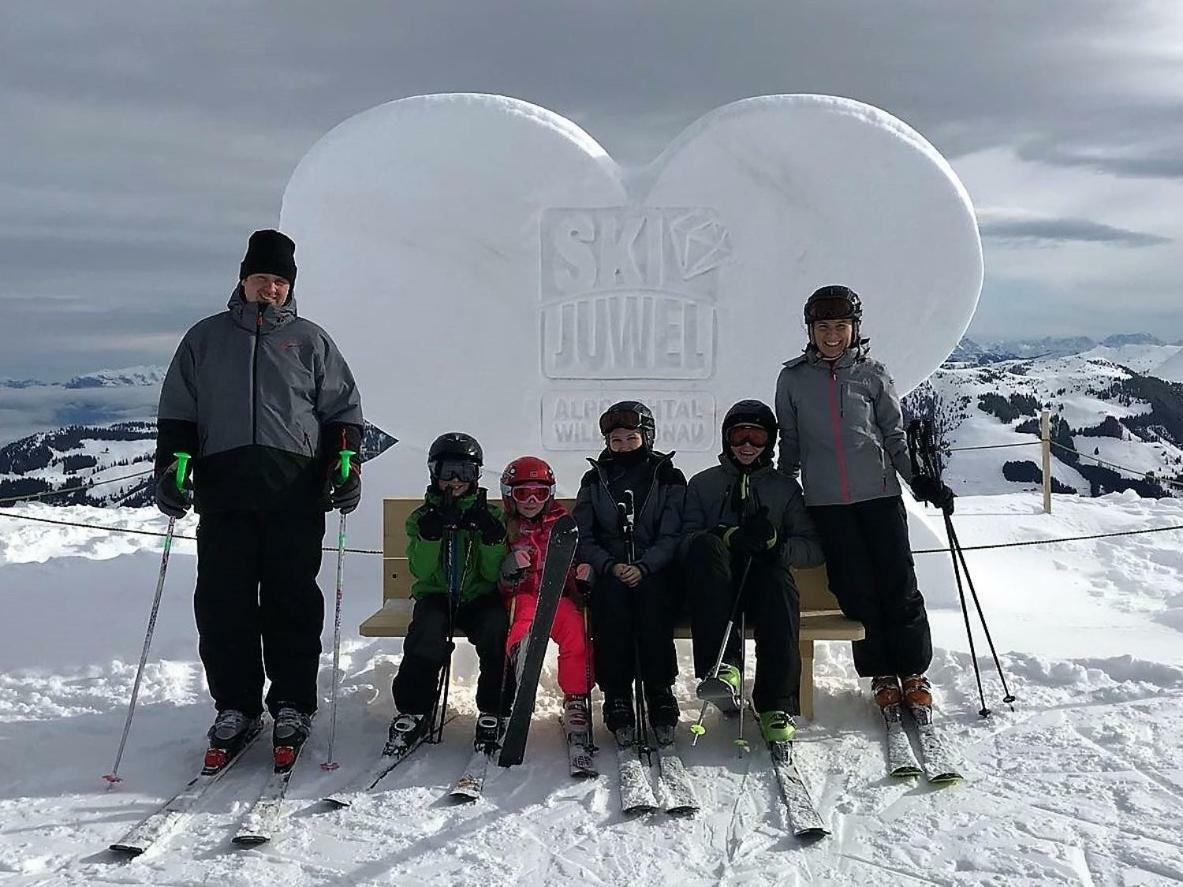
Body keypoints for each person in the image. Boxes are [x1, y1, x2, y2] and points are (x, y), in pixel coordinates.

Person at [154, 229, 363, 768]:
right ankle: (236, 706)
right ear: (243, 279)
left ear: (289, 286)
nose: (270, 288)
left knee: (291, 601)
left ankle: (292, 703)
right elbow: (179, 413)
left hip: (295, 494)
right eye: (261, 278)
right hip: (225, 494)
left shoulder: (312, 342)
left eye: (279, 280)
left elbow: (342, 411)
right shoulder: (204, 339)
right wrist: (173, 468)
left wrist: (345, 462)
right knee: (225, 603)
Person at [774, 285, 954, 711]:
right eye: (823, 327)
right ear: (810, 330)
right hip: (827, 504)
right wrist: (781, 494)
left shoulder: (873, 374)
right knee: (854, 589)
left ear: (855, 329)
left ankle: (913, 671)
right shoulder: (792, 379)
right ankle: (881, 674)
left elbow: (894, 436)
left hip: (880, 496)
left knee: (899, 584)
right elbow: (791, 444)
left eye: (841, 326)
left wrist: (919, 481)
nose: (832, 335)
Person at [681, 400, 824, 742]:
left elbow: (812, 547)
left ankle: (776, 702)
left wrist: (775, 544)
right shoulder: (703, 485)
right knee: (707, 548)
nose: (747, 446)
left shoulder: (785, 489)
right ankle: (722, 666)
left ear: (769, 442)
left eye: (757, 438)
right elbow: (684, 541)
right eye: (739, 436)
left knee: (779, 581)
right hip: (714, 589)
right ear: (726, 439)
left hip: (762, 586)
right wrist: (723, 535)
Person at [386, 432, 510, 754]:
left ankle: (494, 707)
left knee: (497, 628)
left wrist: (491, 539)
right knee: (426, 631)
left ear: (476, 476)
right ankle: (414, 708)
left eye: (464, 473)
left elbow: (490, 573)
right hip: (437, 595)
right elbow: (421, 571)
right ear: (433, 473)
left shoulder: (491, 515)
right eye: (447, 472)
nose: (455, 481)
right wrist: (430, 535)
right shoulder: (421, 518)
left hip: (478, 596)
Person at [573, 401, 686, 745]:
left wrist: (646, 565)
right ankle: (617, 694)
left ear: (646, 437)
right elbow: (583, 534)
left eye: (631, 438)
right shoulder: (595, 479)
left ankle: (659, 690)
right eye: (616, 440)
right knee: (611, 609)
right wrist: (610, 564)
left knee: (653, 608)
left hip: (655, 568)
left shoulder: (667, 476)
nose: (623, 446)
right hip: (612, 567)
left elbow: (673, 532)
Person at [498, 456, 594, 758]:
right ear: (509, 495)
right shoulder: (505, 527)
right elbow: (494, 575)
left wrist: (582, 575)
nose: (530, 501)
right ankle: (523, 657)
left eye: (538, 494)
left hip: (558, 597)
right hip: (524, 594)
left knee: (575, 632)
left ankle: (575, 697)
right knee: (523, 621)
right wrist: (508, 569)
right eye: (522, 493)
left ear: (549, 495)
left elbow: (576, 562)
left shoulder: (564, 525)